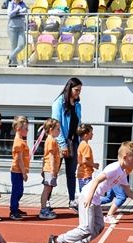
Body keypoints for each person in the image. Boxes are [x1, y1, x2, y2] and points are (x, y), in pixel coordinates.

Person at [48, 141, 133, 243]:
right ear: (125, 158)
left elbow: (129, 192)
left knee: (98, 226)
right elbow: (96, 180)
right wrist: (89, 197)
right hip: (88, 196)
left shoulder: (123, 173)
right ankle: (56, 241)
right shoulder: (114, 168)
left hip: (95, 199)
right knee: (85, 228)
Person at [52, 77, 84, 208]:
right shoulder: (59, 103)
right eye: (76, 90)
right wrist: (62, 143)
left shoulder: (77, 104)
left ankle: (72, 200)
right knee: (54, 171)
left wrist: (80, 140)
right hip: (61, 142)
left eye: (80, 90)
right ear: (69, 88)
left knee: (71, 173)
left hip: (73, 142)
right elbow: (56, 124)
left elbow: (79, 122)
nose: (78, 92)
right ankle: (46, 200)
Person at [39, 118, 62, 219]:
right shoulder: (51, 140)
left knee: (48, 189)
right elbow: (51, 156)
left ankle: (45, 209)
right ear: (51, 129)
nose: (59, 131)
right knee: (47, 189)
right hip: (49, 169)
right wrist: (53, 170)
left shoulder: (51, 140)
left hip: (49, 168)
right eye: (58, 129)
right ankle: (43, 210)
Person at [9, 116, 30, 220]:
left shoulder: (21, 141)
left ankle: (15, 207)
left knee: (19, 191)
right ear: (18, 128)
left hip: (19, 171)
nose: (27, 130)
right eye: (25, 128)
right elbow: (19, 159)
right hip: (17, 171)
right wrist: (24, 173)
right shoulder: (18, 142)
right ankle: (13, 210)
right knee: (17, 191)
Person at [76, 124, 96, 200]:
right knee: (88, 194)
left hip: (81, 173)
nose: (92, 134)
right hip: (86, 174)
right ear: (86, 135)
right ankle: (86, 209)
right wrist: (94, 165)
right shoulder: (86, 146)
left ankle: (83, 209)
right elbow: (85, 160)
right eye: (91, 132)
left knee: (83, 193)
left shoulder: (81, 144)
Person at [8, 0, 30, 67]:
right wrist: (17, 10)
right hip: (12, 27)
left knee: (22, 44)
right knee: (13, 47)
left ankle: (10, 57)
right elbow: (9, 14)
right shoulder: (11, 4)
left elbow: (25, 11)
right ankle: (13, 64)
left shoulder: (22, 4)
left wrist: (17, 12)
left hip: (21, 27)